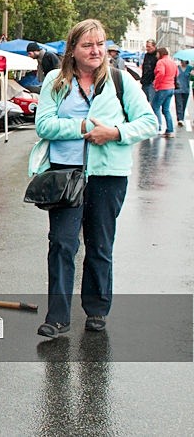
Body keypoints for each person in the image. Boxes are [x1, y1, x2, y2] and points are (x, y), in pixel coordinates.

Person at [31, 19, 157, 339]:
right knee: (62, 243)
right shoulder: (55, 82)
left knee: (100, 245)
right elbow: (44, 125)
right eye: (87, 45)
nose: (96, 50)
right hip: (64, 174)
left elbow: (148, 123)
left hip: (108, 176)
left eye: (100, 44)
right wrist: (83, 127)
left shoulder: (120, 80)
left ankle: (97, 309)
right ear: (72, 49)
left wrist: (115, 132)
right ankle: (57, 316)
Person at [152, 47, 177, 138]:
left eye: (157, 53)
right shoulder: (172, 62)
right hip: (171, 87)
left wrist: (156, 84)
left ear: (161, 53)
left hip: (163, 87)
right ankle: (170, 130)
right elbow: (176, 74)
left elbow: (161, 73)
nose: (156, 55)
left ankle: (158, 127)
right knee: (166, 110)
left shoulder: (161, 62)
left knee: (155, 106)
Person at [175, 60, 192, 126]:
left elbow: (192, 78)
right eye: (182, 60)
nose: (182, 62)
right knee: (179, 104)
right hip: (178, 89)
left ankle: (181, 117)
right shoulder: (177, 67)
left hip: (186, 89)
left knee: (184, 104)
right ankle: (180, 119)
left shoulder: (190, 68)